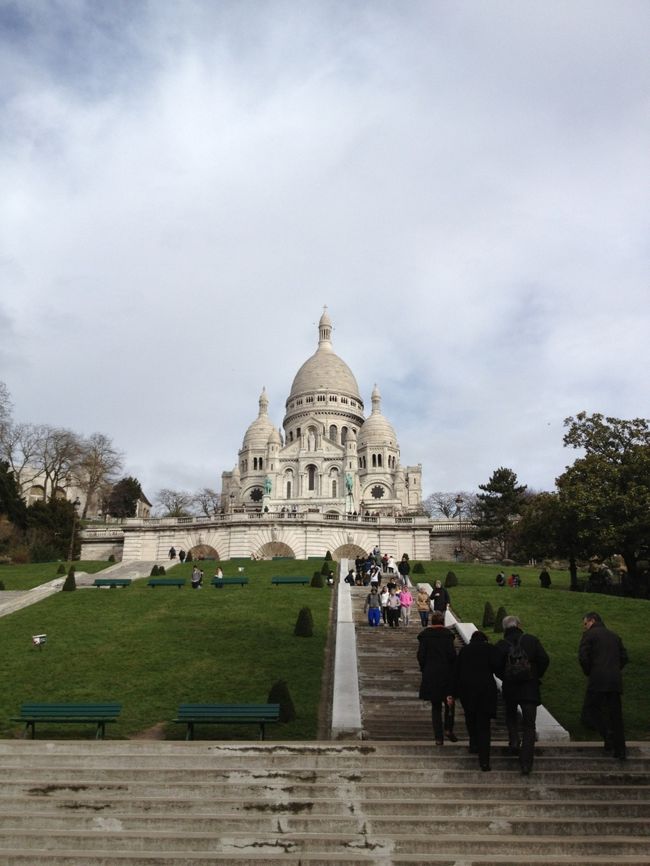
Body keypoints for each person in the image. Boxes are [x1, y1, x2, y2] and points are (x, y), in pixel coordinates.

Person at [493, 615, 549, 775]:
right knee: (529, 725)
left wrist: (506, 677)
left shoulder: (502, 644)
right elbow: (544, 659)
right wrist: (535, 674)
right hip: (530, 688)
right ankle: (526, 763)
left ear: (504, 628)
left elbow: (496, 666)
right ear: (519, 624)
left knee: (511, 716)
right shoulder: (531, 640)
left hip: (510, 688)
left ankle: (514, 742)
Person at [579, 611, 628, 760]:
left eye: (586, 623)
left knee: (592, 709)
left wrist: (590, 671)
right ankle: (620, 750)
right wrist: (614, 669)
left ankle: (607, 733)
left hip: (597, 678)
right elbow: (624, 657)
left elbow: (583, 657)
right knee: (616, 715)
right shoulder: (614, 635)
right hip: (614, 680)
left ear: (592, 621)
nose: (585, 626)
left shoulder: (589, 635)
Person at [454, 630, 498, 771]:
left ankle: (473, 743)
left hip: (468, 691)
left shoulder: (465, 650)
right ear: (484, 639)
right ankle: (484, 761)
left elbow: (457, 671)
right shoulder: (490, 649)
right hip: (486, 690)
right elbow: (497, 668)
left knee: (470, 717)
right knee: (484, 726)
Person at [417, 611, 457, 745]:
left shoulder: (425, 636)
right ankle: (448, 728)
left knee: (435, 707)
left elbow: (421, 656)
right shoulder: (448, 636)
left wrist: (425, 669)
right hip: (446, 674)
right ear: (442, 622)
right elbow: (452, 656)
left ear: (432, 622)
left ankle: (438, 737)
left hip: (431, 674)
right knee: (450, 703)